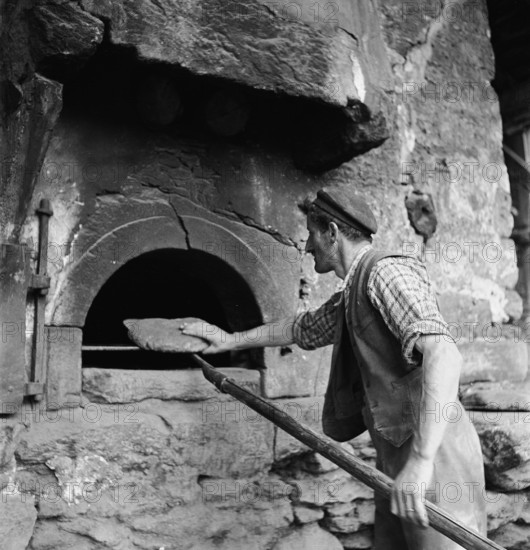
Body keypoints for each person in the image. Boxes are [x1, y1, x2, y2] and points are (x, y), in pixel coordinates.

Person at [181, 187, 487, 549]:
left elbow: (444, 353)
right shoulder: (353, 293)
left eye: (311, 235)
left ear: (332, 233)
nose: (308, 247)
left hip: (436, 454)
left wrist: (421, 461)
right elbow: (301, 328)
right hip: (399, 455)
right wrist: (230, 340)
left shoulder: (384, 273)